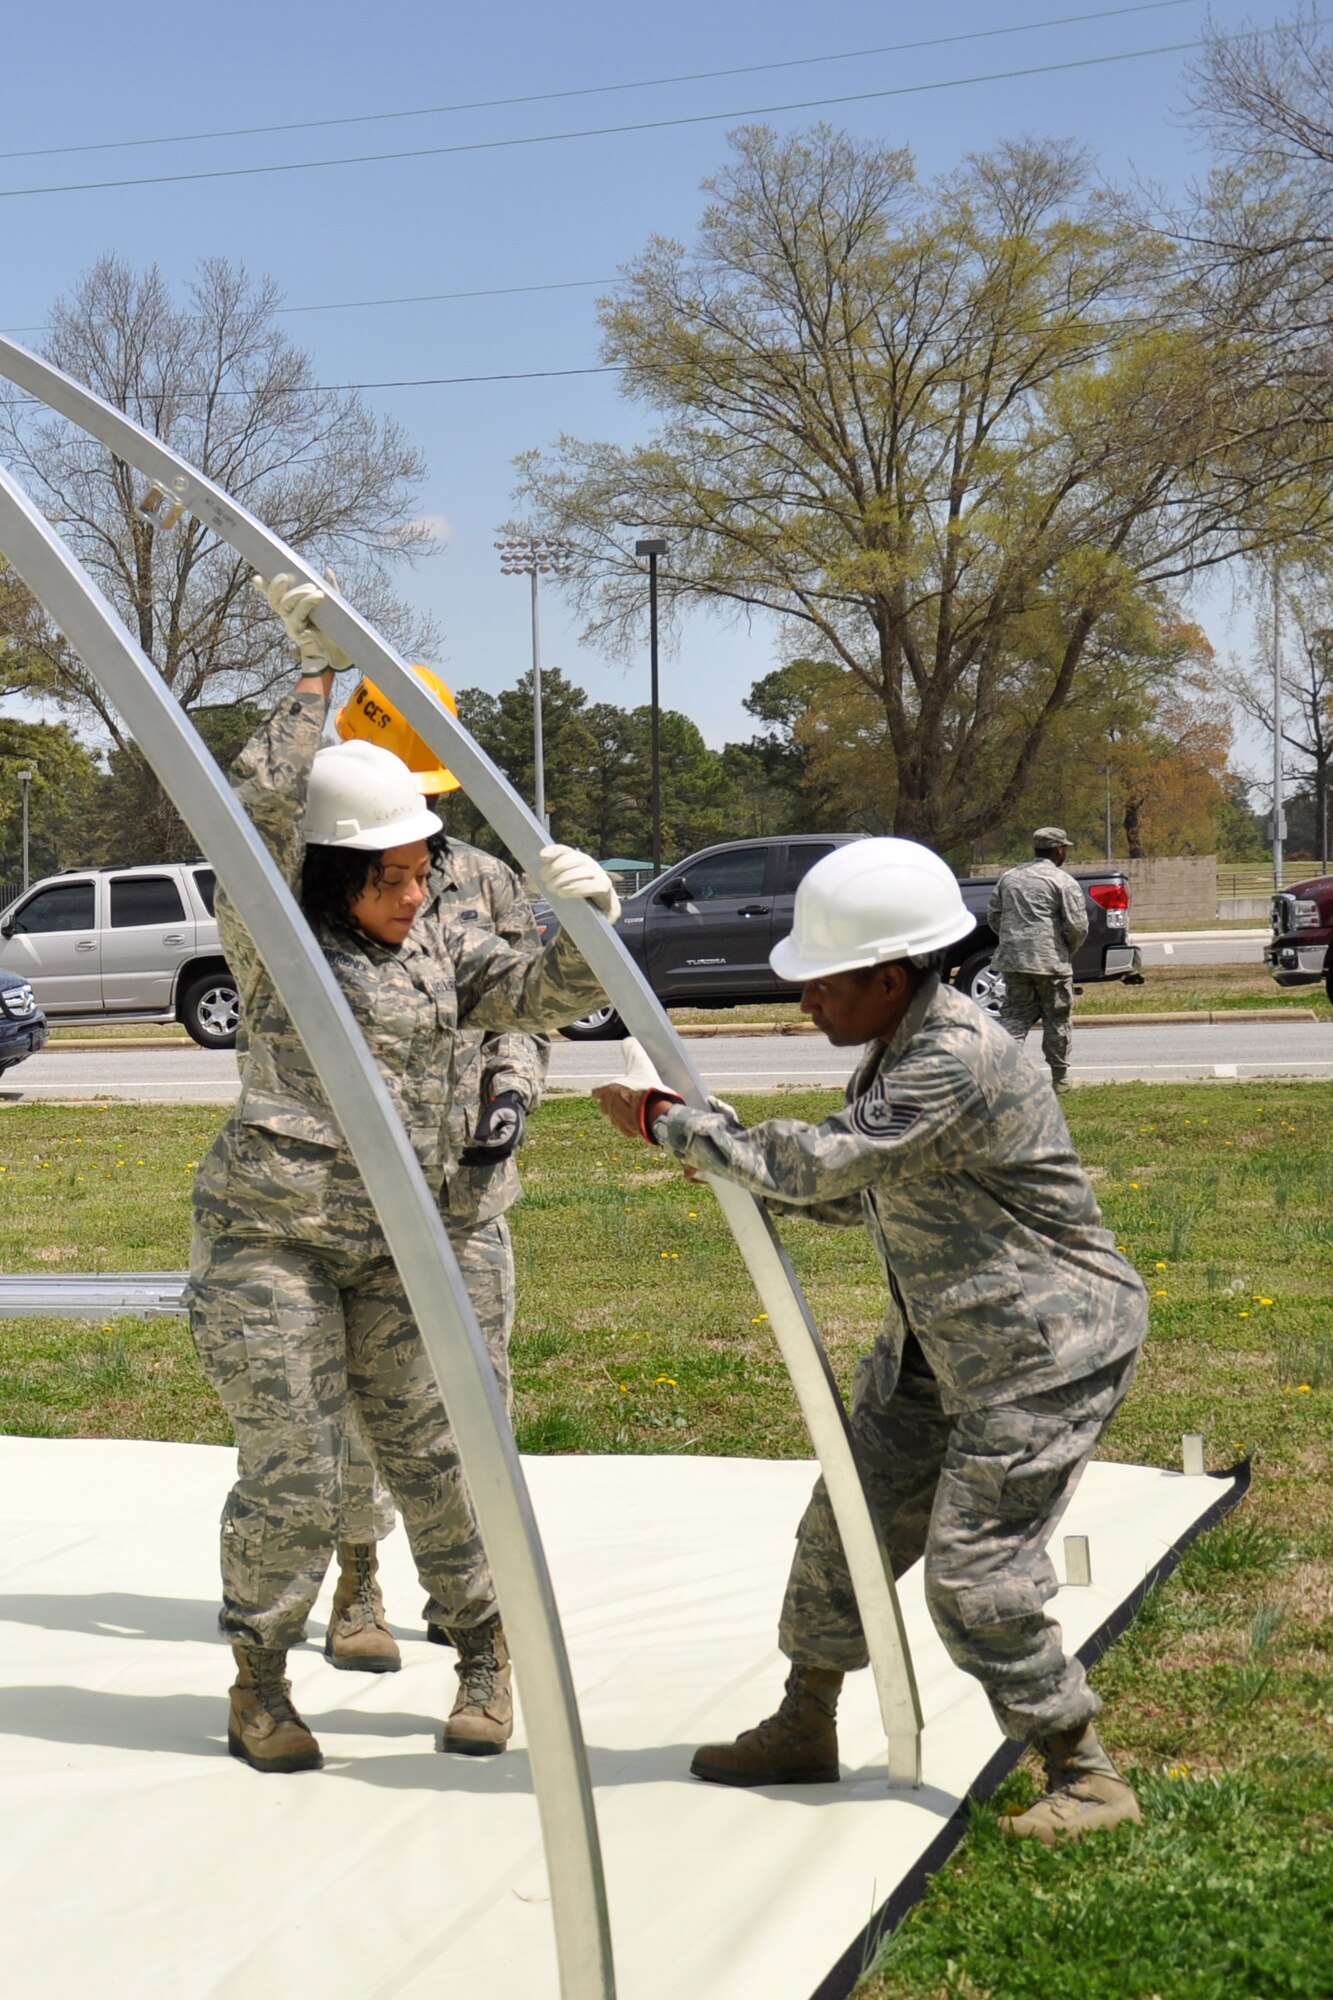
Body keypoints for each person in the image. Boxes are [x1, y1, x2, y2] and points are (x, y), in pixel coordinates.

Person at [593, 838, 1148, 1844]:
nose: (806, 1001)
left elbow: (820, 1164)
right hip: (946, 1343)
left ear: (889, 974)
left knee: (974, 1572)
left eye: (821, 982)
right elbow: (862, 1193)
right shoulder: (899, 1047)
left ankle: (1084, 1769)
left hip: (1041, 1350)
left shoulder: (955, 1057)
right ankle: (805, 1722)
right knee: (841, 1524)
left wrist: (672, 1126)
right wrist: (740, 1165)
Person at [188, 572, 618, 1774]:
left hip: (401, 1240)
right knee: (295, 1466)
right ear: (331, 875)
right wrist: (311, 672)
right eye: (390, 875)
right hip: (272, 1238)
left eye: (424, 867)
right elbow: (258, 800)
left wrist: (588, 930)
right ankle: (260, 1683)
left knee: (443, 1451)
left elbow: (532, 996)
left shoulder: (440, 939)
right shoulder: (273, 942)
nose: (416, 890)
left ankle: (486, 1653)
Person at [324, 668, 549, 1672]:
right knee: (360, 1399)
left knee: (477, 1391)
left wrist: (512, 1093)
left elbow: (526, 1007)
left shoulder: (491, 882)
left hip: (466, 1193)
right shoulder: (319, 881)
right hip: (363, 1195)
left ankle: (483, 1605)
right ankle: (358, 1578)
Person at [986, 827, 1089, 1092]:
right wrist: (1066, 949)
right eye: (1065, 848)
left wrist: (1015, 942)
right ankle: (1060, 1079)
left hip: (1013, 961)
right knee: (1057, 1018)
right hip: (1051, 963)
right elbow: (1077, 926)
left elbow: (994, 917)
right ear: (1058, 850)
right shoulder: (1062, 881)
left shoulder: (1009, 878)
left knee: (1015, 1017)